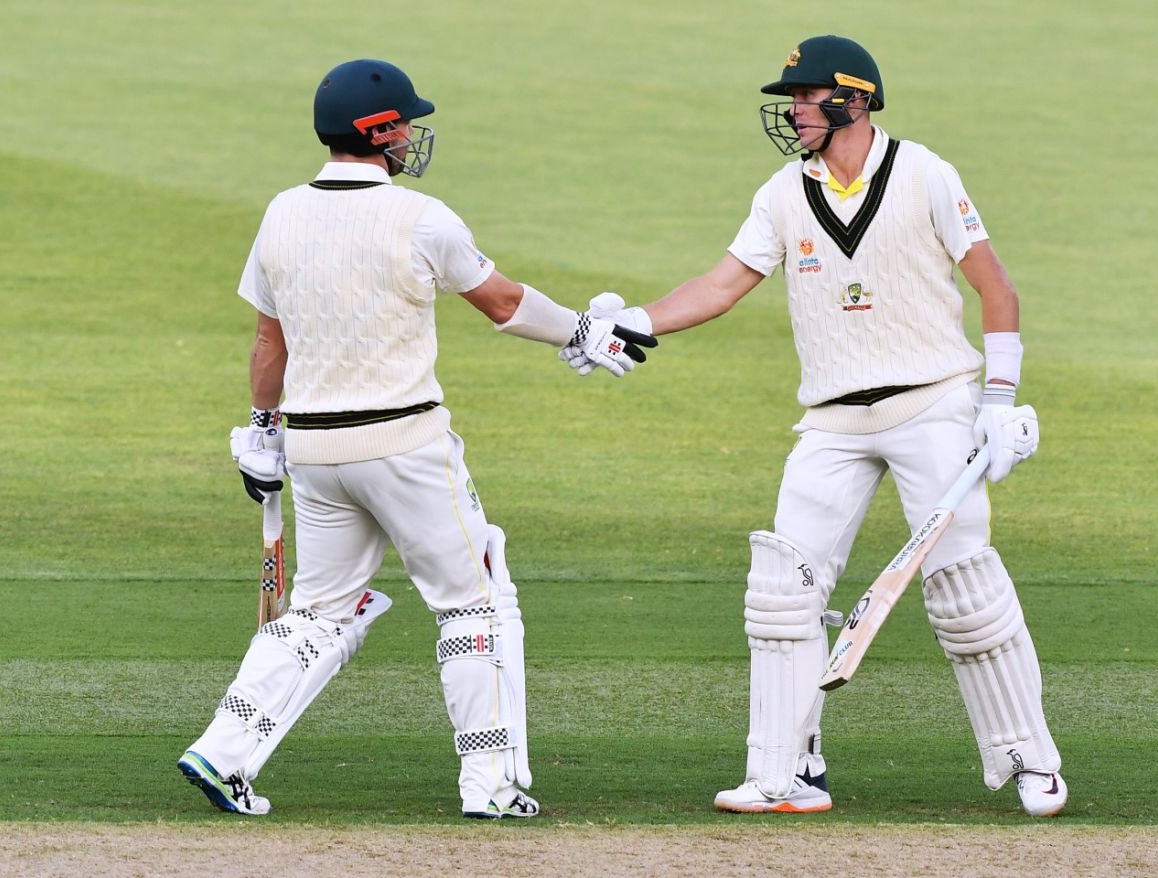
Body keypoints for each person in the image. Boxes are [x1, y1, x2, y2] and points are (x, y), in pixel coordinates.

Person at [565, 34, 1065, 817]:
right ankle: (785, 773)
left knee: (964, 587)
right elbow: (724, 283)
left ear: (854, 100)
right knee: (782, 590)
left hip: (933, 402)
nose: (791, 109)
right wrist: (634, 321)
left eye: (803, 96)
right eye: (791, 98)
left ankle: (1030, 761)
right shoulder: (781, 193)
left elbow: (995, 289)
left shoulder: (925, 173)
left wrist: (998, 401)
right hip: (832, 420)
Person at [177, 58, 654, 820]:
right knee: (474, 603)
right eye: (403, 123)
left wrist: (262, 430)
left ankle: (223, 752)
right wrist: (583, 330)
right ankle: (490, 787)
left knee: (321, 615)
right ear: (376, 132)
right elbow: (500, 303)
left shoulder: (280, 214)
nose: (411, 134)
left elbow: (270, 343)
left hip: (315, 454)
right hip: (404, 444)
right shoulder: (421, 217)